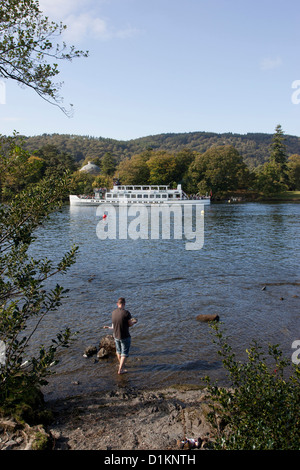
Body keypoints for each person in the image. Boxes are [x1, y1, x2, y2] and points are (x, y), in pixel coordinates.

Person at [103, 298, 137, 374]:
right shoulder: (126, 313)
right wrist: (134, 322)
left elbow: (114, 325)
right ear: (124, 304)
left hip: (116, 335)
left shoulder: (113, 313)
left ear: (117, 304)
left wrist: (108, 327)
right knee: (124, 353)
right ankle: (120, 369)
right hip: (124, 336)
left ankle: (121, 365)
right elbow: (129, 324)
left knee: (118, 351)